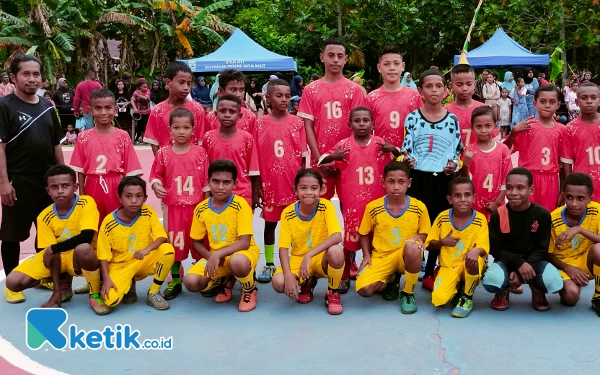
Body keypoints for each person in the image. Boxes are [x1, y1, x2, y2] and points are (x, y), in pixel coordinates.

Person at [0, 55, 65, 303]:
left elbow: (56, 143)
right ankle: (11, 283)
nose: (32, 78)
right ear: (14, 77)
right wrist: (4, 183)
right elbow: (1, 147)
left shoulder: (48, 105)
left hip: (48, 181)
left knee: (46, 233)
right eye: (26, 74)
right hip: (18, 180)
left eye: (36, 74)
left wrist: (64, 176)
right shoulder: (4, 106)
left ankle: (44, 275)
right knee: (12, 234)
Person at [5, 165, 110, 314]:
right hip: (59, 258)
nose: (60, 190)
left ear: (75, 186)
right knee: (13, 282)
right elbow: (50, 253)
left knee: (84, 248)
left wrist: (54, 248)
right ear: (48, 191)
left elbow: (86, 237)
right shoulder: (44, 216)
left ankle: (94, 293)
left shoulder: (87, 203)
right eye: (54, 187)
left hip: (81, 257)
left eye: (65, 185)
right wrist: (56, 289)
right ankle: (63, 284)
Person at [319, 106, 398, 292]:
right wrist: (333, 156)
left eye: (365, 120)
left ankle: (379, 272)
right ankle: (345, 273)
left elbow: (402, 159)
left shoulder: (381, 144)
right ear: (350, 124)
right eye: (357, 121)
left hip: (378, 201)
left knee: (377, 237)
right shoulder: (343, 146)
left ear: (373, 123)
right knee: (350, 238)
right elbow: (321, 161)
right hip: (353, 202)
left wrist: (393, 148)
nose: (362, 124)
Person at [401, 69, 463, 291]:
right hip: (418, 179)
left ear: (446, 91)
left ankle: (430, 271)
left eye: (438, 86)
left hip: (442, 180)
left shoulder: (452, 120)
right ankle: (414, 264)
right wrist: (406, 160)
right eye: (429, 86)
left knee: (439, 223)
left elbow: (458, 152)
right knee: (417, 223)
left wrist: (455, 165)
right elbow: (405, 149)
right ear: (421, 91)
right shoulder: (412, 118)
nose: (434, 90)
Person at [183, 160, 260, 312]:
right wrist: (211, 256)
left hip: (242, 254)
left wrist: (217, 254)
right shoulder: (201, 209)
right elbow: (196, 242)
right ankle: (226, 279)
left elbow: (244, 242)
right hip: (218, 257)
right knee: (191, 282)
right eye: (215, 181)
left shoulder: (241, 205)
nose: (220, 187)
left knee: (238, 263)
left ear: (235, 183)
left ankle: (249, 288)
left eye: (226, 182)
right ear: (208, 182)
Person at [149, 108, 210, 299]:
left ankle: (202, 276)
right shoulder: (164, 153)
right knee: (174, 244)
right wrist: (156, 185)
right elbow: (155, 175)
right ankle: (175, 279)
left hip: (196, 207)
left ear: (193, 129)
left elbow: (206, 182)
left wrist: (207, 205)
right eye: (177, 127)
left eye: (186, 127)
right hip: (173, 207)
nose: (181, 131)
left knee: (199, 242)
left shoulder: (201, 153)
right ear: (170, 129)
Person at [482, 168, 563, 311]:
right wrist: (518, 264)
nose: (513, 193)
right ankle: (503, 289)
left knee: (553, 282)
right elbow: (496, 248)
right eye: (509, 188)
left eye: (520, 188)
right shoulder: (498, 214)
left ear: (531, 190)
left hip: (534, 263)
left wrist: (523, 270)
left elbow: (542, 248)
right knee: (492, 281)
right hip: (507, 261)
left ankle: (537, 288)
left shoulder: (542, 214)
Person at [355, 161, 430, 312]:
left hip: (405, 255)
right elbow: (363, 233)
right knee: (364, 290)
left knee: (412, 247)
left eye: (401, 182)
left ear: (409, 183)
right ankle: (391, 278)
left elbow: (425, 233)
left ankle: (408, 292)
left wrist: (419, 238)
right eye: (391, 181)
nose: (396, 186)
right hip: (381, 256)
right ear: (383, 182)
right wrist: (366, 255)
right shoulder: (373, 207)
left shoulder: (419, 207)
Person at [298, 37, 365, 201]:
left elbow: (359, 127)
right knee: (318, 206)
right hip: (320, 158)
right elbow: (307, 126)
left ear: (346, 59)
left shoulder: (355, 90)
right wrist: (320, 159)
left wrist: (344, 157)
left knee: (349, 205)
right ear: (322, 57)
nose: (335, 60)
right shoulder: (310, 90)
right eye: (331, 55)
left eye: (340, 56)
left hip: (349, 159)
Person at [271, 168, 345, 315]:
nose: (309, 192)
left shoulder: (326, 206)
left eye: (314, 188)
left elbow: (337, 236)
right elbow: (283, 248)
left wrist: (309, 255)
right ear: (295, 190)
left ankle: (332, 291)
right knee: (279, 283)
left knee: (336, 251)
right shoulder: (288, 213)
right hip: (298, 259)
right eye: (303, 188)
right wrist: (287, 275)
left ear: (322, 189)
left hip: (320, 257)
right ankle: (307, 282)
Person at [255, 80, 307, 283]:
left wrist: (302, 184)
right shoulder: (259, 124)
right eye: (279, 95)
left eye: (287, 95)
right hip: (270, 184)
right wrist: (257, 184)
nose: (284, 99)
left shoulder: (297, 123)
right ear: (268, 98)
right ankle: (269, 263)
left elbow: (303, 156)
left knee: (294, 225)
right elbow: (255, 157)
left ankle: (295, 260)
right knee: (270, 224)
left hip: (291, 183)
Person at [98, 176, 175, 312]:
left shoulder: (148, 212)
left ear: (145, 198)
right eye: (128, 196)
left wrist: (147, 249)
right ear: (120, 198)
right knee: (111, 300)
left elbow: (162, 237)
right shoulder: (109, 222)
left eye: (138, 196)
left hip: (143, 260)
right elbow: (103, 255)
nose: (134, 200)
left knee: (167, 250)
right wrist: (106, 280)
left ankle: (153, 292)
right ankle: (129, 283)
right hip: (121, 265)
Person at [70, 88, 143, 220]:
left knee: (116, 221)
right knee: (93, 222)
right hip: (92, 184)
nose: (103, 112)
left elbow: (131, 170)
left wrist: (130, 194)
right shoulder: (83, 137)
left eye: (108, 108)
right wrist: (82, 195)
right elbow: (80, 171)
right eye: (98, 108)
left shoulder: (123, 136)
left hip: (116, 183)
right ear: (90, 110)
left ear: (115, 110)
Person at [424, 178, 489, 318]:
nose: (463, 199)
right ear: (450, 199)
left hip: (467, 264)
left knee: (474, 259)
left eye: (467, 195)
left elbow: (484, 247)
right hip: (448, 266)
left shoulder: (480, 219)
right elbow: (428, 245)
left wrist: (475, 250)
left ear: (474, 197)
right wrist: (442, 242)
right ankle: (457, 286)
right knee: (439, 300)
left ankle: (467, 297)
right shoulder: (442, 218)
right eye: (457, 195)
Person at [504, 84, 566, 211]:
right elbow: (503, 151)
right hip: (527, 178)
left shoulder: (562, 130)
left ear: (558, 105)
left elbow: (564, 164)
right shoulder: (527, 126)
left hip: (551, 180)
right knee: (526, 215)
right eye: (542, 101)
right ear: (534, 103)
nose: (547, 105)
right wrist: (514, 132)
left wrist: (563, 190)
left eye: (552, 102)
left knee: (547, 216)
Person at [547, 173, 600, 315]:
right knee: (571, 298)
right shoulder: (553, 218)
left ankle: (598, 296)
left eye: (580, 198)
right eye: (569, 197)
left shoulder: (596, 210)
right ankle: (570, 284)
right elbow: (548, 254)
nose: (574, 203)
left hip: (586, 261)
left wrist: (579, 230)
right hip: (564, 265)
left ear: (590, 199)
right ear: (563, 196)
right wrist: (568, 268)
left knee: (599, 249)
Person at [202, 94, 260, 208]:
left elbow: (253, 169)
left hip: (242, 195)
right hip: (216, 195)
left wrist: (255, 195)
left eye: (232, 111)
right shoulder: (208, 138)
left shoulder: (247, 138)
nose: (227, 115)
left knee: (242, 226)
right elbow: (204, 169)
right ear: (215, 114)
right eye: (223, 111)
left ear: (239, 116)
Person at [144, 62, 207, 155]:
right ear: (168, 83)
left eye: (189, 84)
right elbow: (154, 143)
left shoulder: (198, 110)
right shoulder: (157, 111)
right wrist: (162, 163)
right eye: (181, 82)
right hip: (167, 165)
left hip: (192, 164)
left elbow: (201, 142)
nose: (186, 88)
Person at [366, 45, 422, 148]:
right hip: (379, 154)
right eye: (386, 64)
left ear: (403, 66)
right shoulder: (371, 98)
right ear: (379, 67)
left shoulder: (414, 95)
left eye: (396, 63)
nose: (392, 68)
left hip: (408, 157)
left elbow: (421, 127)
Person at [461, 106, 511, 221]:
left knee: (497, 235)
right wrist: (465, 165)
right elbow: (465, 180)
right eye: (479, 126)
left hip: (497, 204)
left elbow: (507, 179)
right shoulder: (469, 151)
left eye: (488, 126)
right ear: (472, 128)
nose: (483, 130)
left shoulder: (503, 150)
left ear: (495, 126)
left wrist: (497, 202)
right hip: (475, 205)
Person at [562, 82, 600, 201]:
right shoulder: (569, 129)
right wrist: (568, 188)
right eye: (584, 98)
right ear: (577, 102)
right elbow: (567, 163)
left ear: (599, 100)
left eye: (593, 97)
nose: (589, 101)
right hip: (582, 186)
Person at [445, 64, 488, 148]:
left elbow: (494, 144)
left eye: (469, 84)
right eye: (459, 84)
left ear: (474, 84)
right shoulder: (444, 113)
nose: (465, 88)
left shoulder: (485, 110)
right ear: (451, 85)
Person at [205, 69, 257, 138]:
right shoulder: (211, 117)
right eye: (233, 90)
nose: (238, 94)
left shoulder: (250, 117)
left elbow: (253, 144)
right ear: (221, 91)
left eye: (241, 90)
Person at [130, 78, 152, 144]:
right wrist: (134, 108)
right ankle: (143, 140)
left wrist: (138, 95)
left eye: (146, 86)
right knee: (141, 126)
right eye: (144, 87)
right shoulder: (136, 91)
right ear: (140, 87)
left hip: (147, 112)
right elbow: (132, 100)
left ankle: (148, 139)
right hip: (139, 112)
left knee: (147, 126)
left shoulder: (148, 91)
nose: (146, 87)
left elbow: (146, 98)